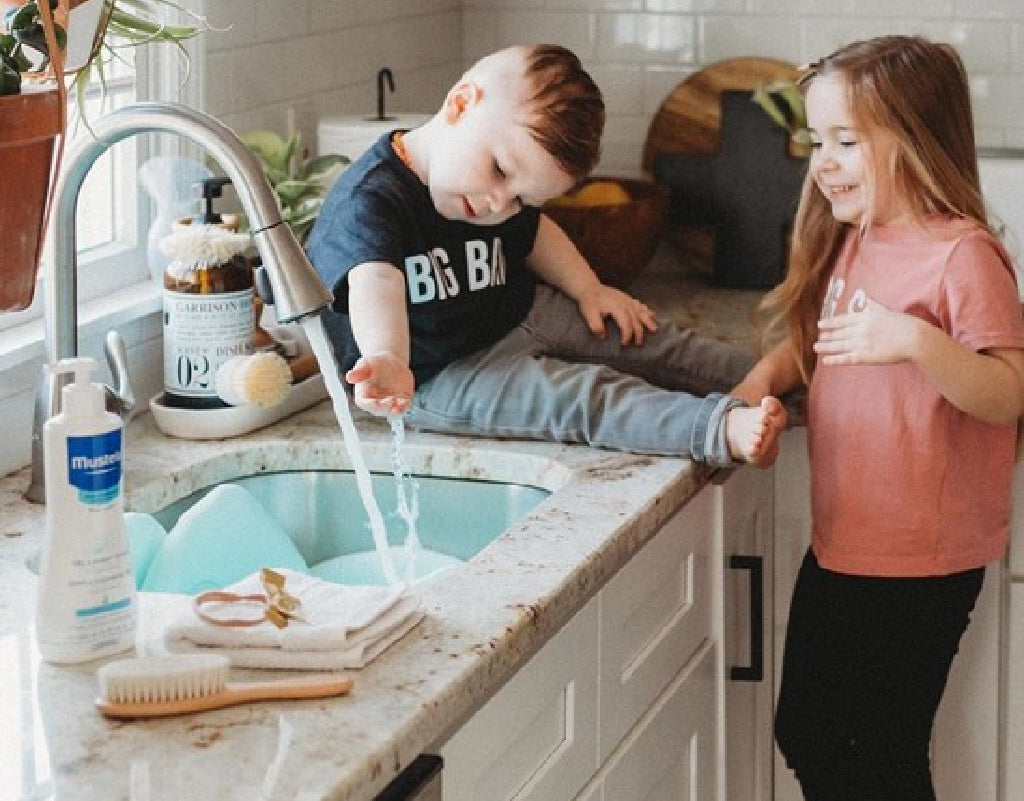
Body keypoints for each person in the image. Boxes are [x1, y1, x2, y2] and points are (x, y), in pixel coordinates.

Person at [732, 35, 1024, 801]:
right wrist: (770, 373)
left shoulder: (963, 255)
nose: (821, 161)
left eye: (845, 141)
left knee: (875, 747)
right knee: (813, 732)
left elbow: (1008, 389)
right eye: (815, 139)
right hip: (847, 537)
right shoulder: (856, 238)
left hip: (921, 555)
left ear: (916, 140)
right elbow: (822, 339)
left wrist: (918, 341)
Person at [306, 43, 785, 467]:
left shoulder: (495, 193)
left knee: (646, 340)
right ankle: (717, 429)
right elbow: (376, 282)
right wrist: (387, 357)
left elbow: (535, 232)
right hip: (442, 375)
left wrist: (588, 289)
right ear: (459, 104)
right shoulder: (371, 200)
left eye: (521, 197)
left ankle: (774, 381)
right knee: (582, 399)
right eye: (499, 170)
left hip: (517, 310)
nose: (500, 203)